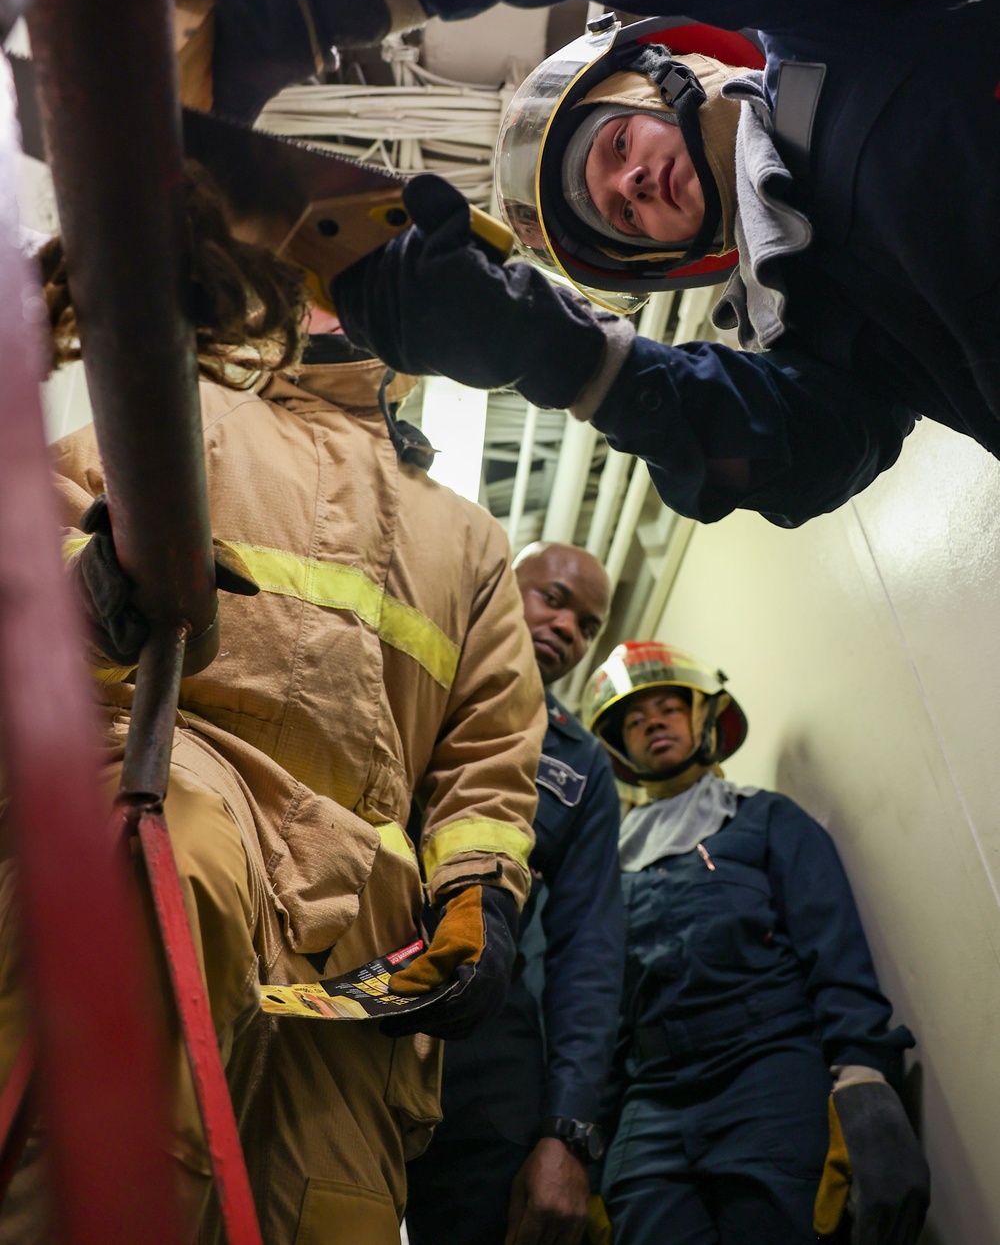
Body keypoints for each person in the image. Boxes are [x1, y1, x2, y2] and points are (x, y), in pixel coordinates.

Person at [174, 0, 1000, 530]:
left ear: (662, 66)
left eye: (613, 146)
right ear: (668, 263)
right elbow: (800, 458)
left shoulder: (846, 6)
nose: (631, 185)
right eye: (622, 219)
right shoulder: (816, 331)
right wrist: (549, 349)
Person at [0, 192, 546, 1244]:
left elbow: (488, 754)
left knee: (327, 1211)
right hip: (180, 780)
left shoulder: (471, 543)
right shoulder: (173, 413)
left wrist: (481, 896)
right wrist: (92, 591)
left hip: (365, 937)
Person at [579, 640, 930, 1245]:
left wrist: (864, 1075)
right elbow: (603, 1013)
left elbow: (834, 948)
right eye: (634, 720)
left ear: (704, 716)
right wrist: (589, 1143)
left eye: (667, 708)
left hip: (765, 1068)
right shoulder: (609, 868)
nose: (652, 724)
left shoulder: (764, 819)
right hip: (651, 1098)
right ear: (619, 747)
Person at [405, 542, 623, 1245]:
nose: (568, 629)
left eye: (588, 625)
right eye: (553, 599)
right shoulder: (413, 672)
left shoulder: (581, 761)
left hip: (483, 1025)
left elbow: (589, 952)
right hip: (346, 986)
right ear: (502, 588)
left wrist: (567, 1131)